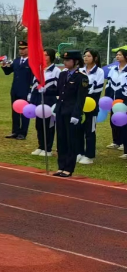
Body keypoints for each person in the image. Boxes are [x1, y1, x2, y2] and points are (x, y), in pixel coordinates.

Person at [53, 50, 89, 178]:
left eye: (68, 60)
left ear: (76, 62)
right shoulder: (63, 75)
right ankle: (61, 166)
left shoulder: (81, 77)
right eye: (64, 60)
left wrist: (76, 114)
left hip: (72, 112)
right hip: (61, 111)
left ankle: (69, 167)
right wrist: (43, 88)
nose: (65, 62)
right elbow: (58, 91)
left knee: (71, 141)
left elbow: (81, 98)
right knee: (61, 140)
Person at [29, 48, 59, 157]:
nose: (44, 57)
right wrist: (31, 99)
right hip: (38, 101)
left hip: (49, 102)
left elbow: (59, 89)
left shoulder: (56, 71)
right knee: (39, 125)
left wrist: (47, 90)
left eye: (46, 55)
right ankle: (41, 146)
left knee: (49, 126)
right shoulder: (39, 69)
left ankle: (48, 148)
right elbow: (33, 86)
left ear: (51, 57)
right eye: (42, 55)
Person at [78, 49, 105, 165]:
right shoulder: (80, 70)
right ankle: (79, 152)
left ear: (95, 58)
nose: (85, 58)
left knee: (90, 130)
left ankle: (89, 155)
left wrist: (86, 94)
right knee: (78, 130)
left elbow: (98, 89)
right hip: (79, 104)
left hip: (91, 105)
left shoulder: (99, 72)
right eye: (84, 56)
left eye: (88, 56)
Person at [2, 42, 34, 140]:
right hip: (15, 90)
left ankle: (23, 133)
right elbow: (8, 72)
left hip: (25, 90)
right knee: (15, 112)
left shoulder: (32, 62)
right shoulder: (16, 61)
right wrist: (4, 66)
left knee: (25, 112)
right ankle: (15, 131)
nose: (21, 51)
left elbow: (34, 77)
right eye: (20, 49)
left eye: (24, 48)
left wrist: (31, 91)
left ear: (28, 49)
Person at [105, 49, 127, 154]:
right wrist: (107, 98)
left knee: (123, 122)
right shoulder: (113, 69)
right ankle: (116, 141)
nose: (117, 56)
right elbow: (109, 84)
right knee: (113, 121)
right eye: (117, 55)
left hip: (123, 100)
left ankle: (124, 143)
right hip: (113, 99)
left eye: (120, 55)